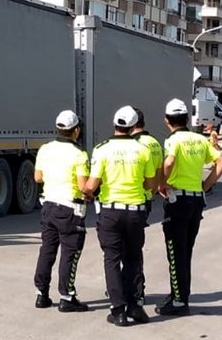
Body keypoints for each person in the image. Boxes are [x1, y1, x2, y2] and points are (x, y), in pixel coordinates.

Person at [85, 105, 157, 327]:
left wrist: (89, 193)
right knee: (134, 258)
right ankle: (135, 305)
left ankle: (118, 311)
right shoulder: (143, 150)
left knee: (112, 259)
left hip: (110, 212)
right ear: (134, 126)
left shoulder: (101, 149)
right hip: (136, 211)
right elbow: (151, 185)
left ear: (114, 124)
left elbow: (91, 185)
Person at [156, 98, 222, 316]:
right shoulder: (199, 139)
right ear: (187, 119)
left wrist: (162, 183)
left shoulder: (173, 140)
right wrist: (205, 186)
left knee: (175, 251)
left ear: (167, 121)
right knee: (186, 250)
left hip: (178, 200)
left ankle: (179, 302)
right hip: (196, 200)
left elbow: (168, 163)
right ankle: (179, 294)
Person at [32, 110, 91, 312]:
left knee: (47, 250)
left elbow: (38, 178)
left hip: (48, 205)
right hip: (70, 208)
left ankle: (42, 294)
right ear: (76, 130)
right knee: (69, 253)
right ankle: (66, 296)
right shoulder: (79, 154)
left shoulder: (45, 149)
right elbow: (83, 186)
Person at [130, 107, 163, 306]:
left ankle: (132, 289)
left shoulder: (136, 145)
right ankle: (137, 290)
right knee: (135, 247)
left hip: (133, 199)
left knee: (127, 249)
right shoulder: (155, 143)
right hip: (147, 200)